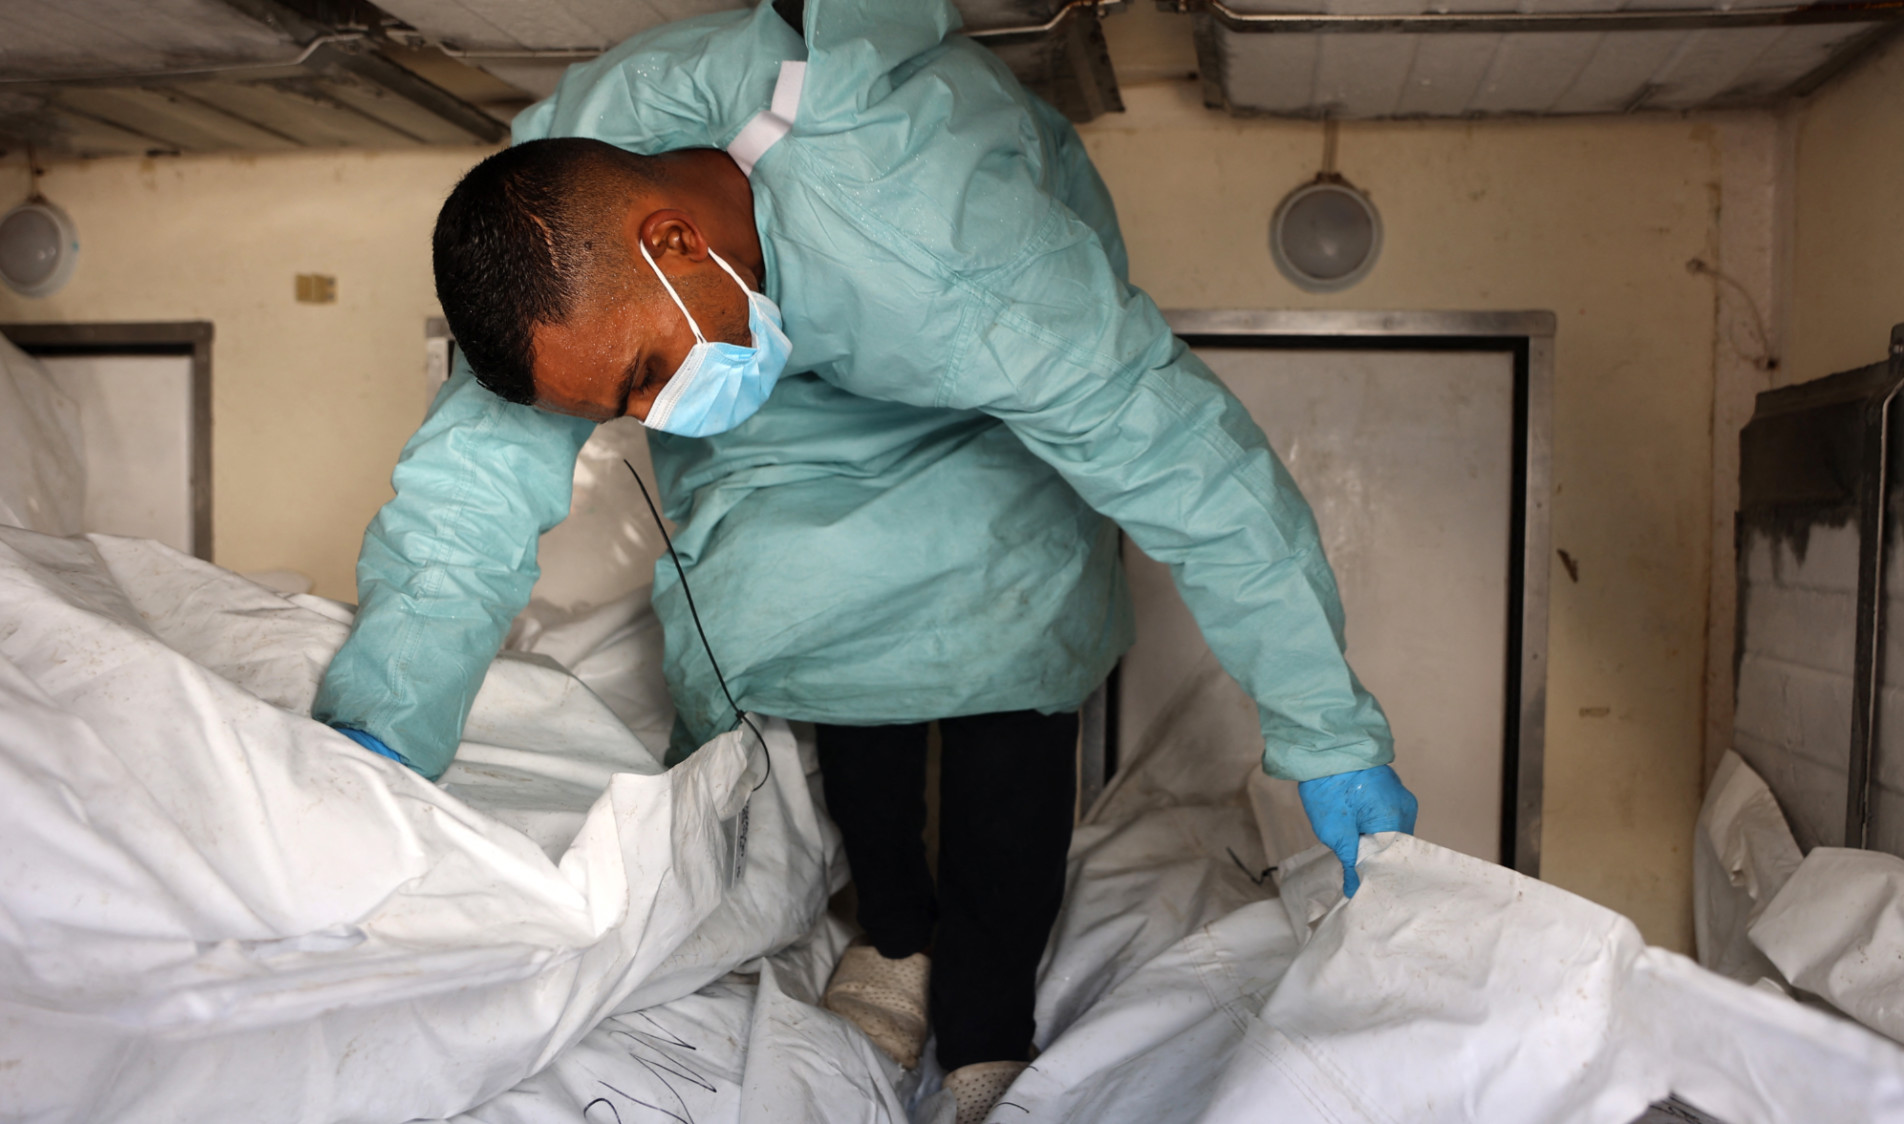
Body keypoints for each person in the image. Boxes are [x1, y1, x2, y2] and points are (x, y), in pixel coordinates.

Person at [313, 0, 1417, 1117]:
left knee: (1010, 665)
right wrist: (378, 737)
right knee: (811, 623)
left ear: (676, 240)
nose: (650, 415)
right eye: (622, 405)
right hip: (786, 394)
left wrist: (1323, 728)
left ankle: (988, 1021)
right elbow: (468, 492)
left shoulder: (950, 243)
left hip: (969, 388)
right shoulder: (556, 229)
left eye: (646, 374)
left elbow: (1186, 465)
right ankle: (895, 931)